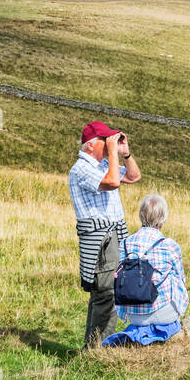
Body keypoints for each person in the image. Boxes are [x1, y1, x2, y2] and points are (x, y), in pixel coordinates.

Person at [69, 120, 141, 349]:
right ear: (90, 145)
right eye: (105, 139)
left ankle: (93, 347)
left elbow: (133, 177)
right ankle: (97, 351)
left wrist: (125, 153)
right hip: (101, 239)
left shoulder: (102, 165)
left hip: (113, 237)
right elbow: (112, 182)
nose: (110, 142)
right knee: (107, 293)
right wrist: (112, 152)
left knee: (107, 292)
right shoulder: (82, 169)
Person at [112, 193, 188, 336]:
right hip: (165, 315)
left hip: (134, 316)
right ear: (164, 217)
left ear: (141, 215)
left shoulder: (125, 244)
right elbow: (181, 279)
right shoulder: (169, 245)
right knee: (175, 277)